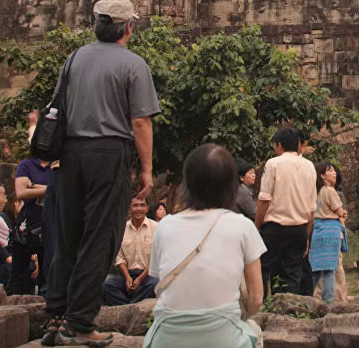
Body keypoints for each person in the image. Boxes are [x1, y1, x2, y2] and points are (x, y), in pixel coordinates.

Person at [44, 0, 160, 347]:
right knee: (100, 237)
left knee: (68, 236)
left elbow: (57, 106)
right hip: (108, 153)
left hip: (69, 154)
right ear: (128, 28)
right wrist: (147, 169)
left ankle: (56, 315)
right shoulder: (133, 64)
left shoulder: (75, 58)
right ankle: (80, 322)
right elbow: (140, 121)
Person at [144, 144, 264, 348]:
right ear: (231, 185)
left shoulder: (164, 226)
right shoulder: (243, 226)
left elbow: (158, 282)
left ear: (187, 183)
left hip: (169, 337)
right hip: (223, 338)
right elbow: (256, 298)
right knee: (254, 329)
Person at [255, 128, 316, 296]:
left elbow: (264, 199)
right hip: (299, 228)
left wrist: (256, 226)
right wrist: (306, 233)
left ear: (279, 145)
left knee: (264, 269)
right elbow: (312, 206)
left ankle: (264, 305)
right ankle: (291, 308)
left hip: (274, 228)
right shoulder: (309, 166)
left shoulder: (273, 163)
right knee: (293, 274)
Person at [103, 197, 158, 305]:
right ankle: (131, 307)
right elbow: (119, 258)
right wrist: (127, 277)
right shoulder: (122, 228)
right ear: (129, 208)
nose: (139, 209)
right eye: (135, 205)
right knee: (106, 285)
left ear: (147, 208)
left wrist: (140, 279)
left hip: (148, 275)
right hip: (126, 274)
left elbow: (156, 258)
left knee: (155, 284)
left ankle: (128, 307)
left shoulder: (156, 227)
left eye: (142, 205)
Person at [10, 153, 51, 295]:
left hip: (50, 223)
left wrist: (33, 186)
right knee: (18, 271)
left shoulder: (57, 165)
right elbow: (21, 192)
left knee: (47, 274)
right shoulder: (26, 164)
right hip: (28, 223)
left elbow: (64, 190)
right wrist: (50, 189)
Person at [309, 163, 347, 304]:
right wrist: (343, 213)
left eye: (334, 171)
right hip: (331, 231)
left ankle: (314, 298)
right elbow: (340, 212)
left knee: (317, 268)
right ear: (322, 175)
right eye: (330, 171)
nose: (334, 173)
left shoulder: (317, 191)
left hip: (317, 230)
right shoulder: (331, 191)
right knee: (330, 269)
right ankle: (329, 301)